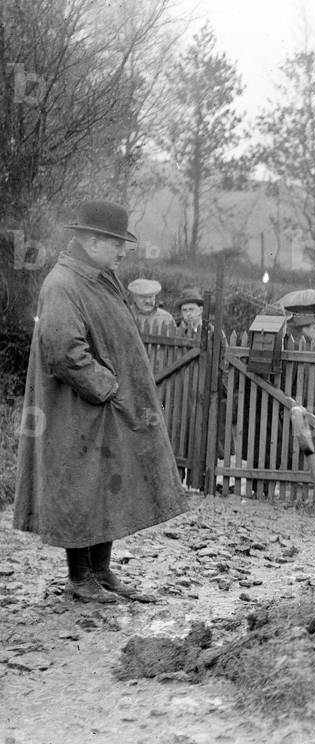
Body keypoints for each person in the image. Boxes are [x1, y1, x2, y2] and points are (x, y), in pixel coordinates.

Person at [13, 200, 188, 603]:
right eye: (116, 243)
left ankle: (102, 570)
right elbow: (64, 351)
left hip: (106, 411)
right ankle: (79, 578)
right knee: (79, 486)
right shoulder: (63, 284)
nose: (123, 251)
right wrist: (107, 386)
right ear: (91, 241)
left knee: (108, 486)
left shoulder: (98, 276)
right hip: (79, 410)